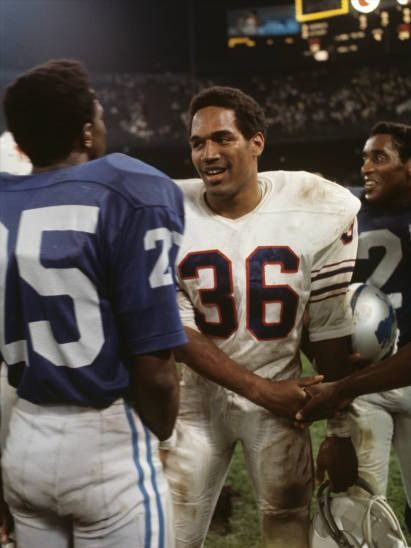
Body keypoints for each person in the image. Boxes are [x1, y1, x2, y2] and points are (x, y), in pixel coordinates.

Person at [0, 59, 186, 548]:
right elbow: (158, 370)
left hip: (23, 440)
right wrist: (160, 432)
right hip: (106, 441)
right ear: (87, 134)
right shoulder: (126, 189)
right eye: (100, 115)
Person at [164, 86, 360, 548]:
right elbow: (176, 329)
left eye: (222, 138)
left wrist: (340, 428)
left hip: (281, 401)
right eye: (197, 143)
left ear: (257, 142)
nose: (207, 154)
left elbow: (331, 328)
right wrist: (261, 390)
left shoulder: (319, 203)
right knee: (168, 534)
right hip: (199, 402)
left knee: (288, 523)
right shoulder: (166, 211)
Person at [308, 121, 411, 531]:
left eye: (379, 157)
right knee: (360, 509)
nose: (366, 166)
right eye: (364, 157)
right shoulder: (344, 208)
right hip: (366, 378)